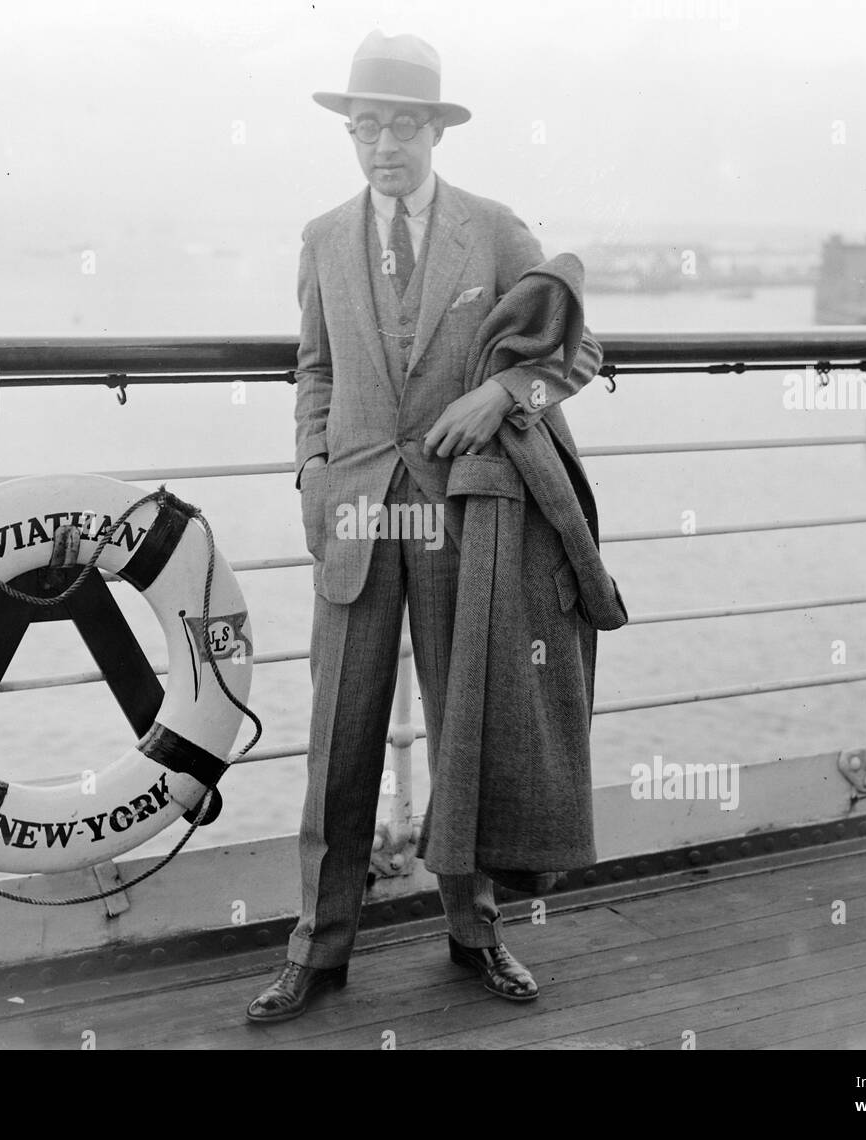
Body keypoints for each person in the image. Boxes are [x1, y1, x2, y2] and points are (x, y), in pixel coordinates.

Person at [246, 29, 605, 1024]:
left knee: (468, 722)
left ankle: (473, 935)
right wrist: (312, 471)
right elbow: (313, 370)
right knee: (338, 743)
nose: (381, 145)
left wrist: (500, 399)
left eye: (400, 126)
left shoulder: (491, 230)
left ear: (433, 130)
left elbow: (575, 350)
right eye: (365, 127)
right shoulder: (322, 237)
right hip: (356, 513)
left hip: (463, 515)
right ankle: (315, 954)